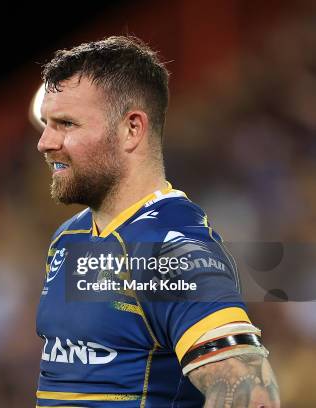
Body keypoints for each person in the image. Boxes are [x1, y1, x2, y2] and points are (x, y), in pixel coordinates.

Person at [34, 36, 280, 407]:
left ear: (132, 129)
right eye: (46, 123)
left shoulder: (168, 243)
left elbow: (250, 393)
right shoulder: (70, 237)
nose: (45, 142)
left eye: (66, 124)